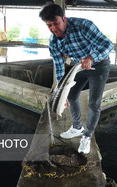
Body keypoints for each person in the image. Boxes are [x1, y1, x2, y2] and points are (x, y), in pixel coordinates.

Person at [39, 4, 113, 154]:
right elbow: (59, 67)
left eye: (56, 23)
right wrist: (61, 94)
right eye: (49, 25)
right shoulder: (54, 42)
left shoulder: (83, 25)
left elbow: (108, 44)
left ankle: (86, 136)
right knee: (71, 94)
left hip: (99, 64)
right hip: (78, 66)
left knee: (94, 103)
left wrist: (91, 57)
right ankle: (77, 127)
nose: (53, 28)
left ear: (64, 18)